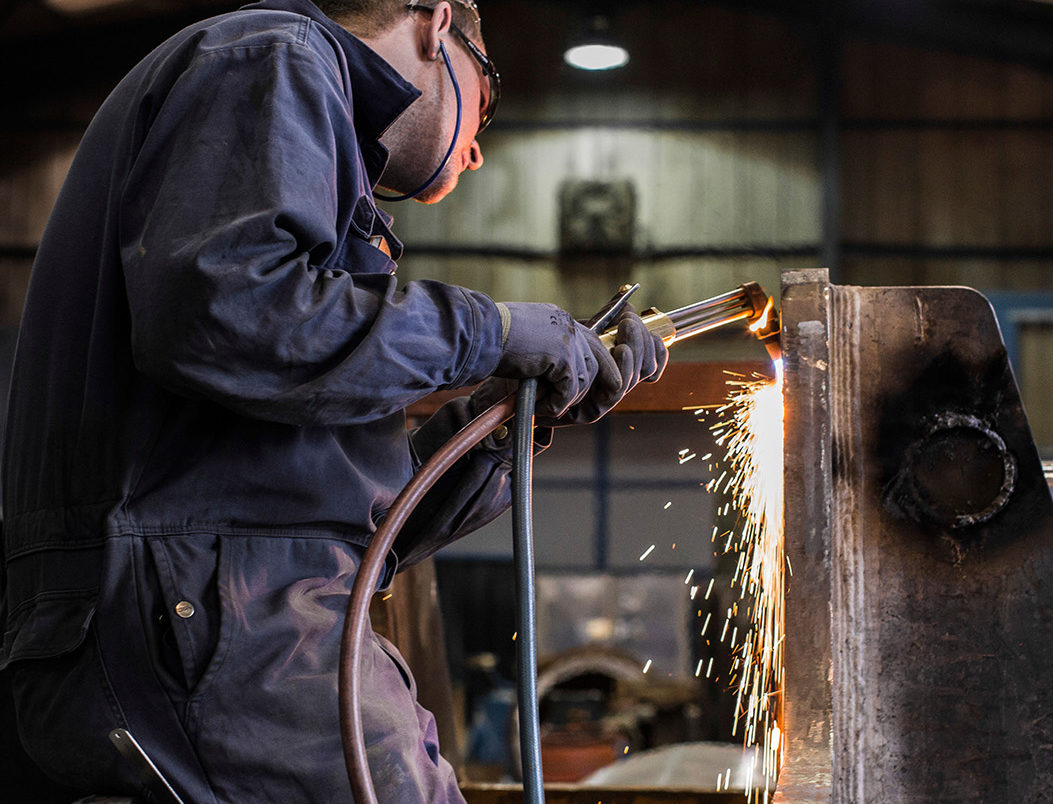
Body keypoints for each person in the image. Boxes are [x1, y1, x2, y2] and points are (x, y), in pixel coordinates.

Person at [0, 0, 666, 801]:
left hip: (209, 610)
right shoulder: (274, 53)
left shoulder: (294, 145)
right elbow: (231, 314)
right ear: (434, 26)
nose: (477, 153)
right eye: (480, 103)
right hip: (217, 625)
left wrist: (506, 422)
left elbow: (360, 529)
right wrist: (490, 328)